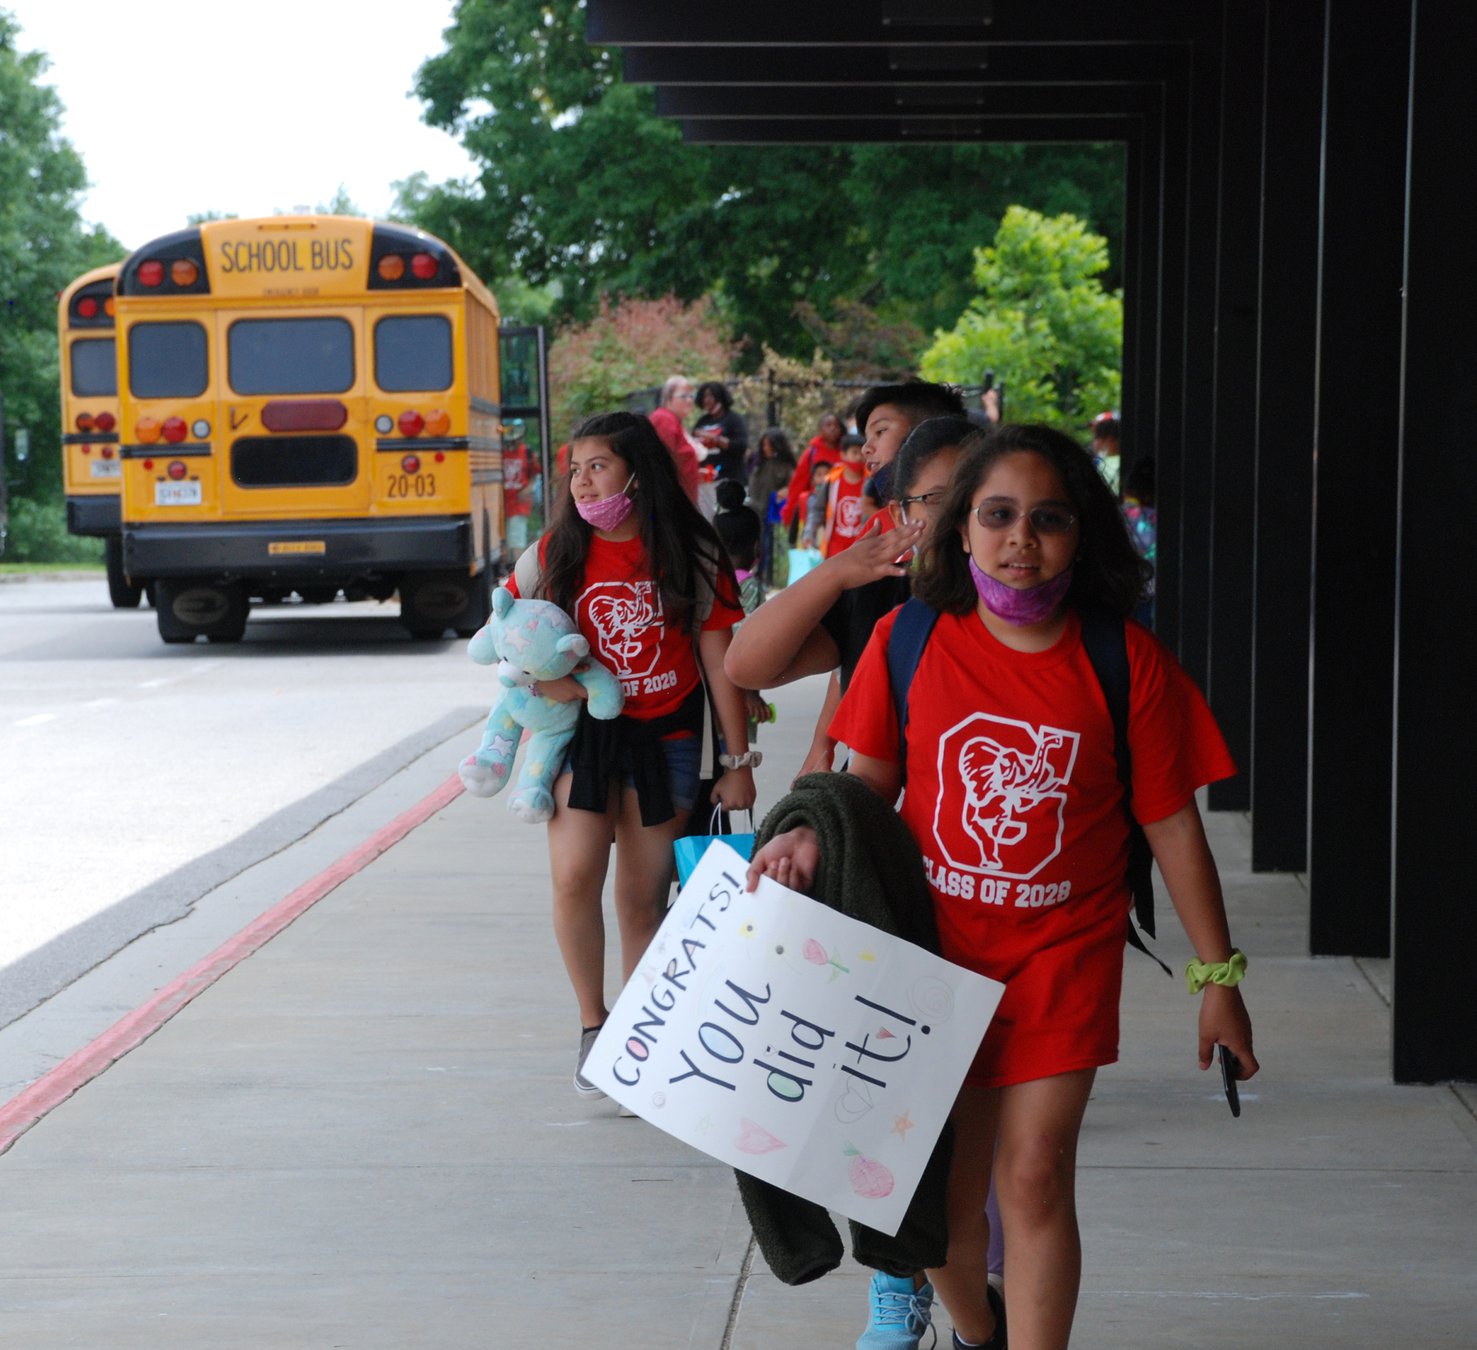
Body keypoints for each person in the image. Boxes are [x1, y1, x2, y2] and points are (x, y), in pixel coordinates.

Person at [748, 422, 1259, 1350]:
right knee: (941, 1198)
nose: (1022, 538)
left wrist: (1216, 979)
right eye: (997, 515)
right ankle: (980, 1331)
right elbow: (866, 789)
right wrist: (810, 840)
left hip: (1064, 955)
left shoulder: (1124, 662)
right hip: (930, 962)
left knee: (1033, 1174)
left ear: (1082, 533)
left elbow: (1172, 824)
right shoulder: (907, 639)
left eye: (1048, 518)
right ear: (961, 529)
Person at [506, 411, 757, 1099]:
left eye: (599, 467)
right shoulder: (555, 551)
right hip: (582, 739)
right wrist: (538, 681)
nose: (583, 483)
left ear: (637, 474)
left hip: (668, 740)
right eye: (575, 470)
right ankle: (595, 1025)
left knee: (642, 900)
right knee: (573, 876)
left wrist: (738, 763)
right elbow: (504, 633)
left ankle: (638, 1042)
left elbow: (721, 660)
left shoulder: (690, 550)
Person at [727, 381, 967, 777]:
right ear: (898, 512)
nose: (867, 448)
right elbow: (749, 665)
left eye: (880, 431)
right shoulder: (879, 566)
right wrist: (834, 572)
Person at [746, 427, 797, 590]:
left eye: (770, 445)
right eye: (764, 445)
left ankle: (764, 579)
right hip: (752, 510)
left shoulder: (786, 466)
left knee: (766, 547)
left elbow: (794, 486)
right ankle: (750, 577)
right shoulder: (757, 461)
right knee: (752, 546)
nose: (766, 448)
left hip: (770, 513)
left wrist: (786, 491)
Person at [781, 411, 845, 536]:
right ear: (820, 429)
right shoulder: (811, 453)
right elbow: (797, 485)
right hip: (815, 513)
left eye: (836, 425)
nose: (833, 428)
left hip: (840, 513)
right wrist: (789, 513)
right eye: (828, 425)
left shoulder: (846, 452)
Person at [806, 432, 869, 558]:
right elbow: (818, 510)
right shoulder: (832, 481)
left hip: (861, 550)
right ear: (843, 455)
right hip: (834, 549)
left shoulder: (870, 482)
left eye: (862, 453)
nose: (859, 457)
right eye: (854, 452)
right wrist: (809, 533)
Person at [647, 375, 703, 505]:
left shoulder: (672, 420)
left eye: (691, 396)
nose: (689, 400)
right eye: (683, 396)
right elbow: (662, 463)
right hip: (674, 501)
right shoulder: (663, 420)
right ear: (668, 398)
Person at [692, 380, 749, 482]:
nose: (706, 400)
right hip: (706, 480)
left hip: (731, 478)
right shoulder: (702, 422)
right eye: (704, 397)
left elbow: (741, 446)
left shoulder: (734, 419)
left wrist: (714, 438)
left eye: (710, 396)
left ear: (719, 397)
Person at [502, 419, 535, 553]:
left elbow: (534, 475)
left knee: (517, 538)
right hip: (502, 504)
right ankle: (509, 563)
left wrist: (528, 489)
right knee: (503, 541)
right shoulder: (500, 452)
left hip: (519, 504)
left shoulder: (527, 452)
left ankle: (517, 564)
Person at [1089, 410, 1121, 495]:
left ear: (1109, 439)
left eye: (1097, 436)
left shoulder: (1101, 464)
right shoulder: (1098, 461)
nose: (1094, 442)